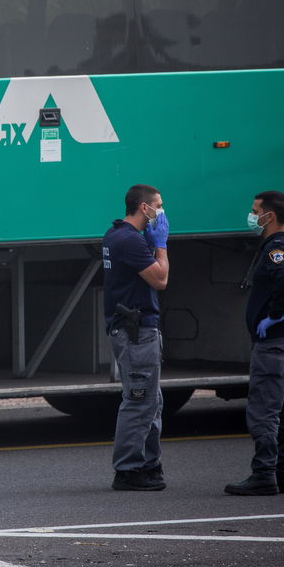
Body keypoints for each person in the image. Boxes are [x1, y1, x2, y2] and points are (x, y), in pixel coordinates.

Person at [225, 190, 284, 496]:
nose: (252, 216)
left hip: (276, 343)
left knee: (265, 408)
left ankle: (264, 473)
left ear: (270, 215)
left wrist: (277, 316)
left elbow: (282, 278)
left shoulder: (277, 251)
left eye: (255, 211)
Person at [101, 183, 170, 491]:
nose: (162, 212)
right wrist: (161, 245)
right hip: (136, 331)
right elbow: (160, 279)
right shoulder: (129, 241)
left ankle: (149, 464)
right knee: (140, 400)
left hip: (136, 329)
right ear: (145, 208)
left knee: (152, 400)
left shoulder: (117, 234)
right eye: (159, 206)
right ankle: (128, 469)